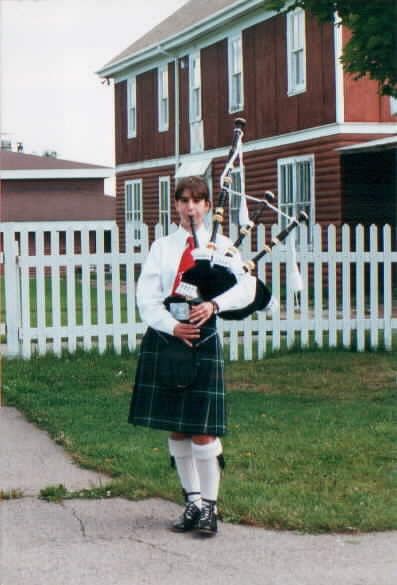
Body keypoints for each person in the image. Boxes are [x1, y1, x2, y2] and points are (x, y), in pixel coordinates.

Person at [128, 176, 256, 536]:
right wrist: (170, 326)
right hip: (169, 339)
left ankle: (210, 510)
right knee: (178, 429)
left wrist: (216, 304)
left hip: (204, 338)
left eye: (197, 200)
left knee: (203, 431)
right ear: (176, 206)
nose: (190, 207)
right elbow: (146, 296)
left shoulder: (223, 245)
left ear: (207, 205)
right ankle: (193, 504)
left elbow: (247, 288)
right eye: (183, 200)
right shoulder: (163, 247)